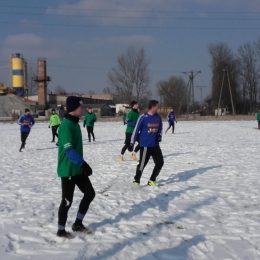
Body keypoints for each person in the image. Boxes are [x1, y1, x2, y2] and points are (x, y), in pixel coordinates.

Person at [57, 96, 95, 238]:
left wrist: (81, 166)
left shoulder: (75, 124)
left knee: (90, 193)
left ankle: (78, 223)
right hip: (68, 169)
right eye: (81, 107)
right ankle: (61, 230)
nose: (83, 109)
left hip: (77, 169)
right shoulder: (66, 125)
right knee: (67, 201)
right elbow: (69, 150)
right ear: (74, 108)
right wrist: (83, 164)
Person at [129, 100, 164, 187]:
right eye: (157, 106)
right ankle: (136, 181)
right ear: (153, 107)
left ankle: (152, 180)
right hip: (145, 145)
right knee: (142, 165)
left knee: (160, 162)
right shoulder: (143, 117)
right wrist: (132, 142)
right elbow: (136, 130)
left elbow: (160, 128)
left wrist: (159, 135)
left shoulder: (158, 117)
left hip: (155, 145)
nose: (158, 107)